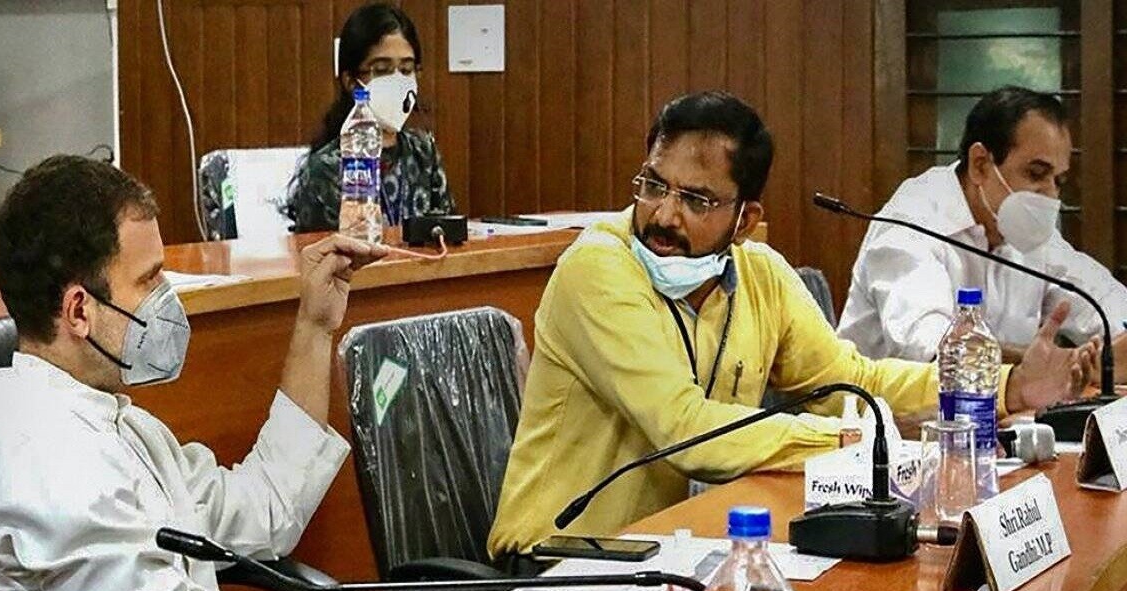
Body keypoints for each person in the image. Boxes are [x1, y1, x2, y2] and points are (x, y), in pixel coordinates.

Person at [486, 91, 1089, 561]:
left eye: (697, 200)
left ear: (746, 219)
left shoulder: (761, 274)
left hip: (664, 551)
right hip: (557, 557)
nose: (664, 214)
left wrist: (1002, 388)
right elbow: (684, 429)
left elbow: (851, 381)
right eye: (653, 185)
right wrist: (851, 442)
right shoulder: (598, 267)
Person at [0, 155, 394, 591]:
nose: (168, 300)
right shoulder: (48, 469)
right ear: (79, 311)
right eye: (151, 280)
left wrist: (315, 325)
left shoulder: (106, 419)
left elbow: (263, 511)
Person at [837, 85, 1127, 368]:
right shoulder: (913, 221)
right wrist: (1056, 364)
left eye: (1059, 181)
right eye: (1036, 173)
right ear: (980, 164)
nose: (1051, 194)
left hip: (1000, 401)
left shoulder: (1026, 228)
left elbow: (1102, 300)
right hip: (882, 400)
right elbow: (932, 350)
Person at [286, 2, 456, 233]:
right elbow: (319, 249)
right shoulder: (326, 168)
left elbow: (448, 231)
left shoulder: (423, 152)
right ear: (350, 81)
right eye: (382, 70)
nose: (398, 81)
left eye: (406, 70)